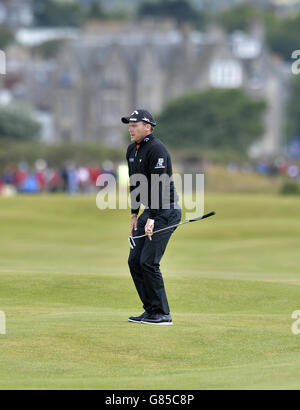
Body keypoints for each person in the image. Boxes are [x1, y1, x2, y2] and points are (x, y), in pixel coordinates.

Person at [122, 109, 181, 325]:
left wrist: (153, 218)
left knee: (148, 261)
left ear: (148, 127)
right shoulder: (132, 150)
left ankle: (163, 313)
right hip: (150, 210)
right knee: (134, 261)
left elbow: (160, 184)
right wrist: (134, 215)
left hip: (166, 211)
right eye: (129, 125)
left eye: (135, 125)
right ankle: (151, 310)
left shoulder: (157, 149)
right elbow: (135, 183)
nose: (131, 128)